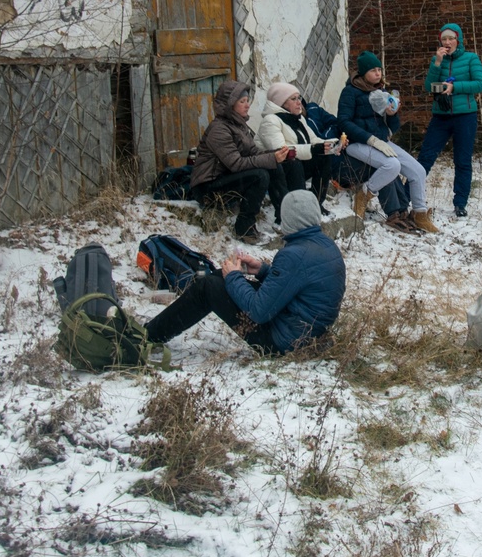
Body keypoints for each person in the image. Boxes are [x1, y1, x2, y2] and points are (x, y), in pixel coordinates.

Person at [145, 191, 346, 354]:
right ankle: (156, 329)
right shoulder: (325, 244)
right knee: (217, 276)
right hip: (306, 332)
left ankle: (149, 336)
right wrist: (262, 270)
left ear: (289, 220)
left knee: (208, 286)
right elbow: (296, 284)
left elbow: (258, 312)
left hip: (283, 342)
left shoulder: (294, 254)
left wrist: (234, 276)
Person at [337, 50, 438, 234]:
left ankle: (420, 214)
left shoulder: (381, 92)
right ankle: (363, 196)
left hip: (381, 142)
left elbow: (393, 126)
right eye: (373, 70)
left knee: (418, 171)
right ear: (362, 73)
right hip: (357, 143)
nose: (378, 73)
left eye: (379, 69)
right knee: (392, 165)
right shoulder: (350, 92)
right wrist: (370, 138)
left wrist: (392, 114)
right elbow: (343, 122)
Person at [190, 80, 291, 243]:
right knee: (260, 175)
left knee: (274, 167)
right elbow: (236, 164)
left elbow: (253, 152)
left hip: (226, 179)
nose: (247, 105)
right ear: (230, 105)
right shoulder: (219, 130)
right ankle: (245, 229)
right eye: (242, 102)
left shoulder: (239, 125)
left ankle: (284, 219)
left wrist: (276, 155)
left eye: (247, 101)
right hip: (208, 188)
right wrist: (270, 158)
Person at [416, 22, 482, 217]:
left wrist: (455, 87)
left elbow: (480, 84)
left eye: (451, 38)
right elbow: (430, 87)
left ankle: (460, 203)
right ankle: (407, 197)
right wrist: (437, 63)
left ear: (458, 40)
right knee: (425, 158)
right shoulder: (437, 59)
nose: (447, 42)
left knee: (462, 160)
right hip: (441, 116)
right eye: (444, 39)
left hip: (465, 116)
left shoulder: (471, 58)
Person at [259, 82, 339, 217]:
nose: (299, 103)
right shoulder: (270, 121)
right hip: (279, 169)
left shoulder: (298, 118)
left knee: (324, 157)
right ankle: (300, 209)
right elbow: (281, 151)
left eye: (299, 98)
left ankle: (315, 203)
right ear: (282, 103)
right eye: (293, 99)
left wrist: (334, 144)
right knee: (293, 162)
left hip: (297, 164)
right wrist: (314, 149)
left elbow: (313, 140)